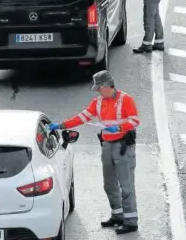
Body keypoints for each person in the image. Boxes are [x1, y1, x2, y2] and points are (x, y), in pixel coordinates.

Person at [48, 70, 140, 235]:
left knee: (126, 186)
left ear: (106, 86)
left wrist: (119, 127)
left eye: (99, 88)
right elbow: (81, 117)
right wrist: (61, 125)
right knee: (109, 184)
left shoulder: (126, 100)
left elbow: (134, 120)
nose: (98, 91)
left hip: (123, 147)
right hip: (107, 146)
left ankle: (131, 222)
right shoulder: (98, 102)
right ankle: (117, 216)